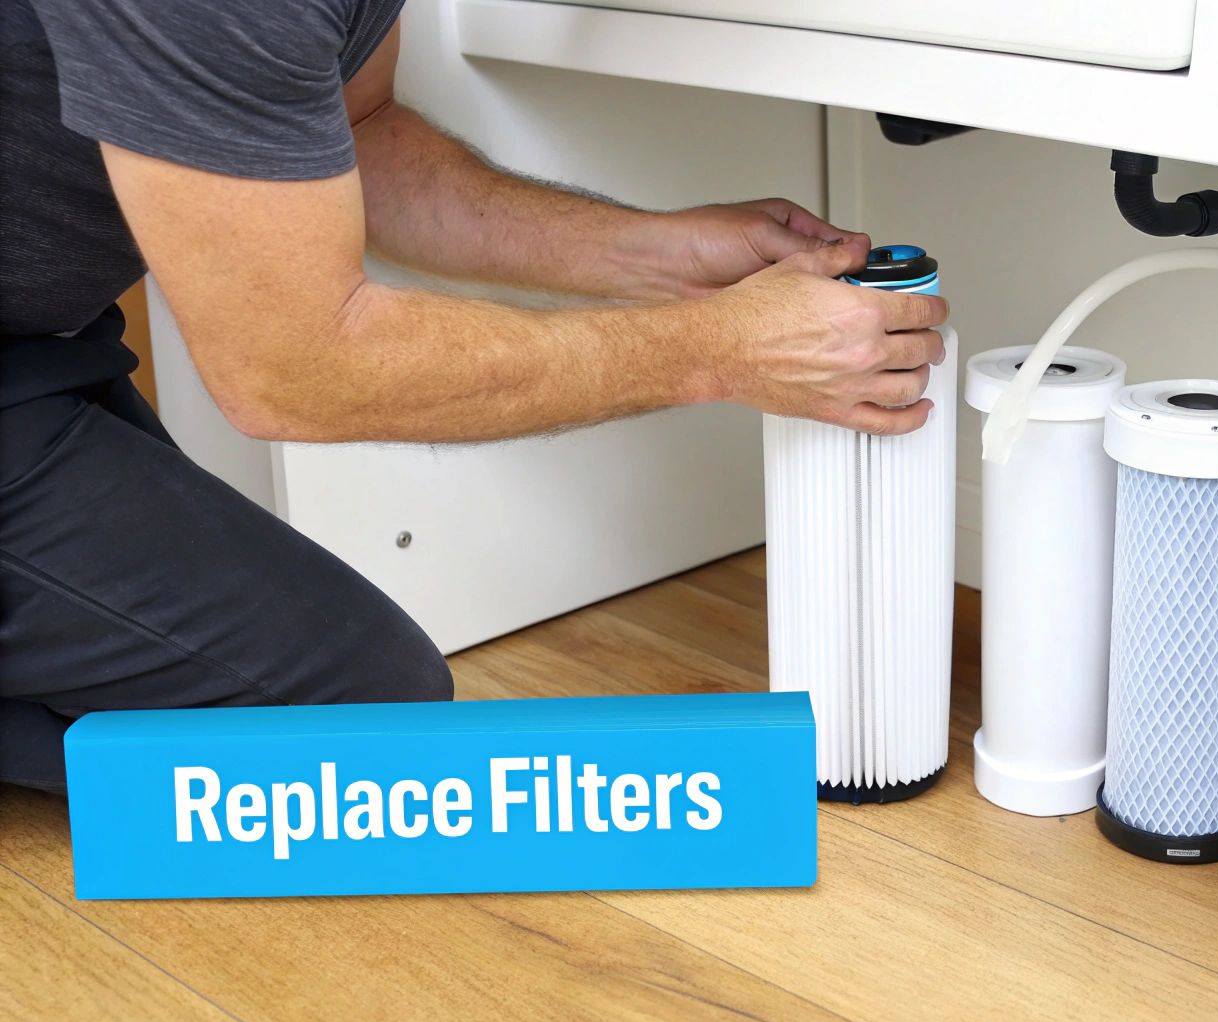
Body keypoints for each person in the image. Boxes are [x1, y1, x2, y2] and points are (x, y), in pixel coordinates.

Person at [0, 0, 950, 792]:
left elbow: (353, 131)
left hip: (47, 349)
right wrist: (720, 352)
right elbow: (294, 368)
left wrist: (652, 257)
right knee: (352, 718)